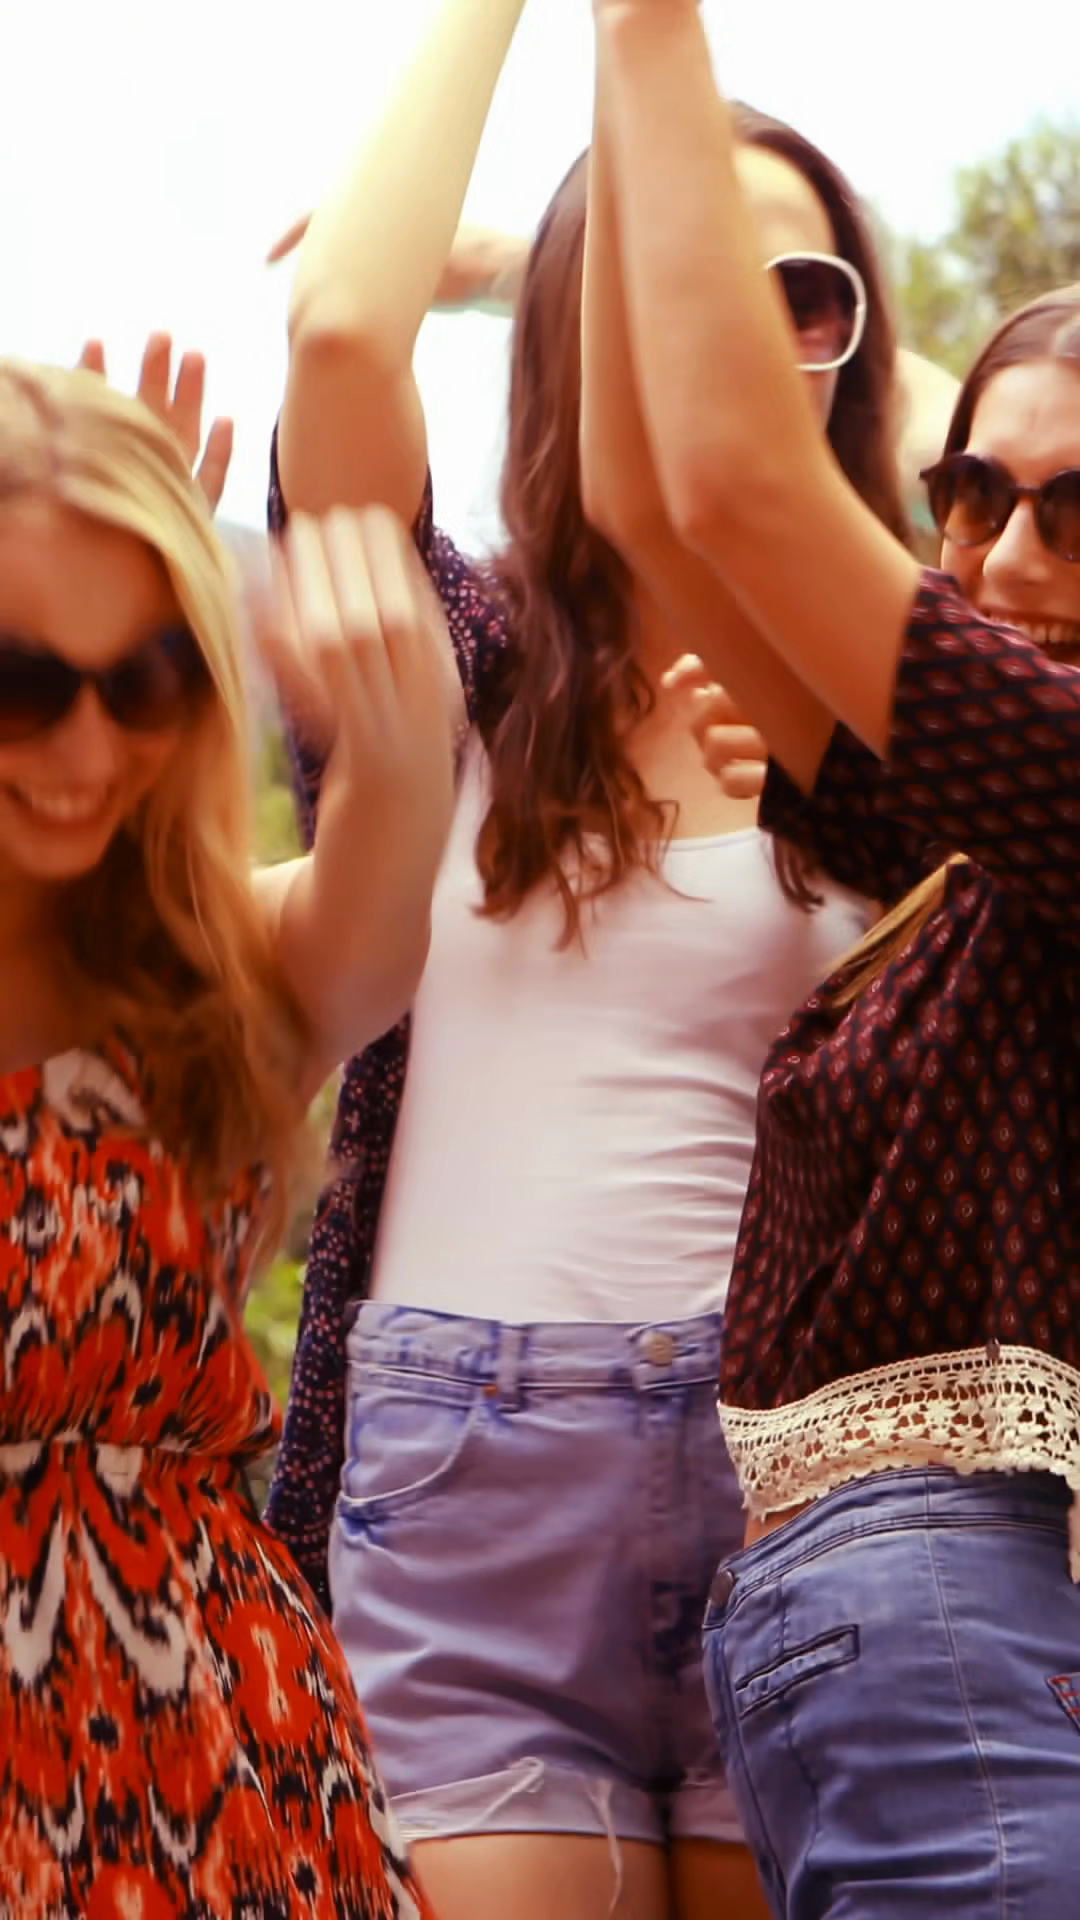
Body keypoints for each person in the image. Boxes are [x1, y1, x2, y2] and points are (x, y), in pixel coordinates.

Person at [266, 1, 926, 1915]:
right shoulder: (461, 664)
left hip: (813, 1475)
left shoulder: (929, 698)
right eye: (665, 272)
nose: (724, 323)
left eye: (794, 292)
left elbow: (1019, 418)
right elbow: (339, 334)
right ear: (576, 317)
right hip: (476, 1471)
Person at [589, 2, 1080, 1913]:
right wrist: (622, 132)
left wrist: (645, 23)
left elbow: (738, 485)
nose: (1008, 559)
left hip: (984, 1640)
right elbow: (655, 511)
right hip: (877, 1656)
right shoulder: (975, 864)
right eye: (971, 494)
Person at [0, 355, 453, 1918]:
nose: (85, 754)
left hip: (225, 1784)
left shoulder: (203, 987)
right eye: (23, 680)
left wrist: (397, 734)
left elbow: (377, 918)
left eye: (143, 678)